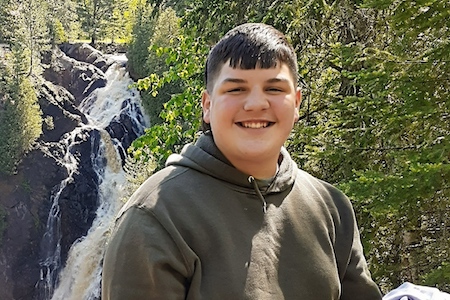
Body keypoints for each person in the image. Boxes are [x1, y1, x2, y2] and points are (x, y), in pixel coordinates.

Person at [101, 23, 382, 300]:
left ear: (296, 103)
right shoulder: (155, 218)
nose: (256, 104)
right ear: (207, 105)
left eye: (274, 89)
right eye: (236, 90)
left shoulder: (332, 208)